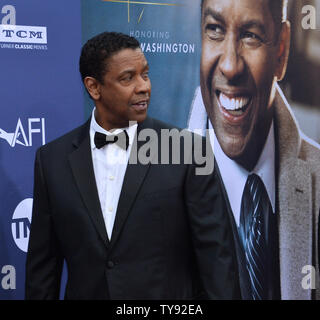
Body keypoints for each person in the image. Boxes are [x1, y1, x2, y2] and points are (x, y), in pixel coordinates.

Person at [25, 31, 239, 300]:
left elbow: (217, 260)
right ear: (94, 87)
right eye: (128, 78)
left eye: (145, 74)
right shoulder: (52, 160)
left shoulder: (187, 152)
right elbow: (42, 271)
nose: (143, 87)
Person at [188, 0, 320, 299]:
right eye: (215, 30)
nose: (230, 66)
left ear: (282, 51)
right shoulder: (150, 191)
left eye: (251, 35)